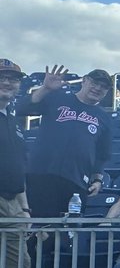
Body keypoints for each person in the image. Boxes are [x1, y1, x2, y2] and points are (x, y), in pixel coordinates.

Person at [16, 65, 113, 217]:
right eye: (94, 83)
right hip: (41, 173)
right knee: (38, 227)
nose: (98, 88)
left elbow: (102, 154)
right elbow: (22, 108)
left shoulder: (104, 118)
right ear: (85, 81)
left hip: (77, 180)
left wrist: (98, 180)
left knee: (67, 232)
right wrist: (45, 88)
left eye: (103, 87)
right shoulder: (58, 98)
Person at [0, 59, 30, 268]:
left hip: (13, 204)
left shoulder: (14, 120)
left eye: (13, 79)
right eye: (1, 77)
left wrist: (25, 209)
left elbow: (19, 169)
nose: (7, 82)